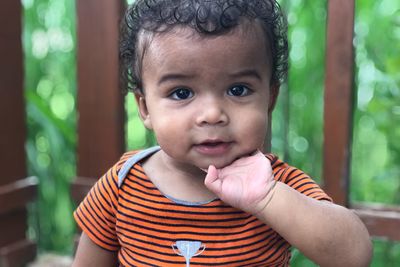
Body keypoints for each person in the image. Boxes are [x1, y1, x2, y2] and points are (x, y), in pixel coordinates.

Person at [72, 0, 372, 266]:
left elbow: (354, 255)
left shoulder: (274, 183)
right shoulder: (122, 184)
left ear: (269, 98)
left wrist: (268, 199)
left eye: (238, 89)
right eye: (181, 93)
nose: (212, 114)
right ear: (145, 108)